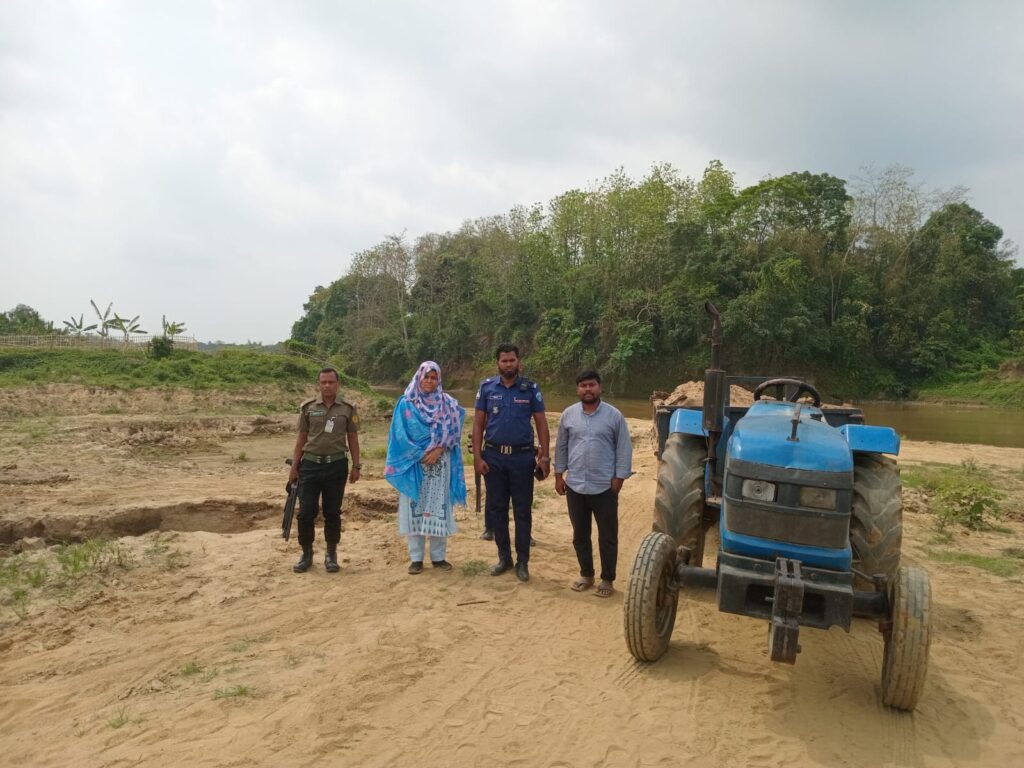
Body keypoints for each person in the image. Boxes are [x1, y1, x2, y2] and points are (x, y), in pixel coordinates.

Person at [472, 344, 550, 582]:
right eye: (504, 361)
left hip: (522, 458)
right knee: (498, 510)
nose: (508, 364)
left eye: (512, 360)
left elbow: (541, 423)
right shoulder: (487, 388)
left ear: (518, 362)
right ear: (498, 363)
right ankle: (504, 558)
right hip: (494, 458)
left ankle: (522, 562)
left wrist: (545, 456)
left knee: (522, 511)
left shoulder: (530, 389)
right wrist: (477, 457)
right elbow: (478, 424)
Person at [554, 369, 632, 598]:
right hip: (575, 485)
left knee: (607, 536)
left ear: (600, 387)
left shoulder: (614, 416)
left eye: (591, 385)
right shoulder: (568, 415)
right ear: (578, 389)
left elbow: (623, 448)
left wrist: (619, 478)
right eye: (583, 386)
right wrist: (559, 475)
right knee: (580, 534)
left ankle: (607, 579)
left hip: (604, 486)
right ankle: (586, 575)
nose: (587, 389)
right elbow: (561, 446)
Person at [385, 361, 467, 574]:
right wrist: (420, 454)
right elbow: (399, 435)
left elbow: (456, 430)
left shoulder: (448, 403)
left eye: (434, 378)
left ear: (438, 380)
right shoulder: (406, 404)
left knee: (439, 507)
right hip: (415, 464)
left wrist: (439, 448)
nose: (429, 381)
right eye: (426, 377)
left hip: (440, 462)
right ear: (419, 378)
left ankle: (439, 557)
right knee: (415, 508)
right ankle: (416, 559)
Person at [288, 367, 361, 574]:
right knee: (306, 512)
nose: (327, 386)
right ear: (318, 384)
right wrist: (294, 467)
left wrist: (356, 465)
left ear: (338, 384)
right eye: (323, 382)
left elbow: (352, 438)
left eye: (331, 382)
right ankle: (306, 554)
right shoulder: (308, 407)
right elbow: (301, 437)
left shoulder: (348, 408)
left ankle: (331, 555)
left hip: (336, 466)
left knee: (332, 512)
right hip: (310, 465)